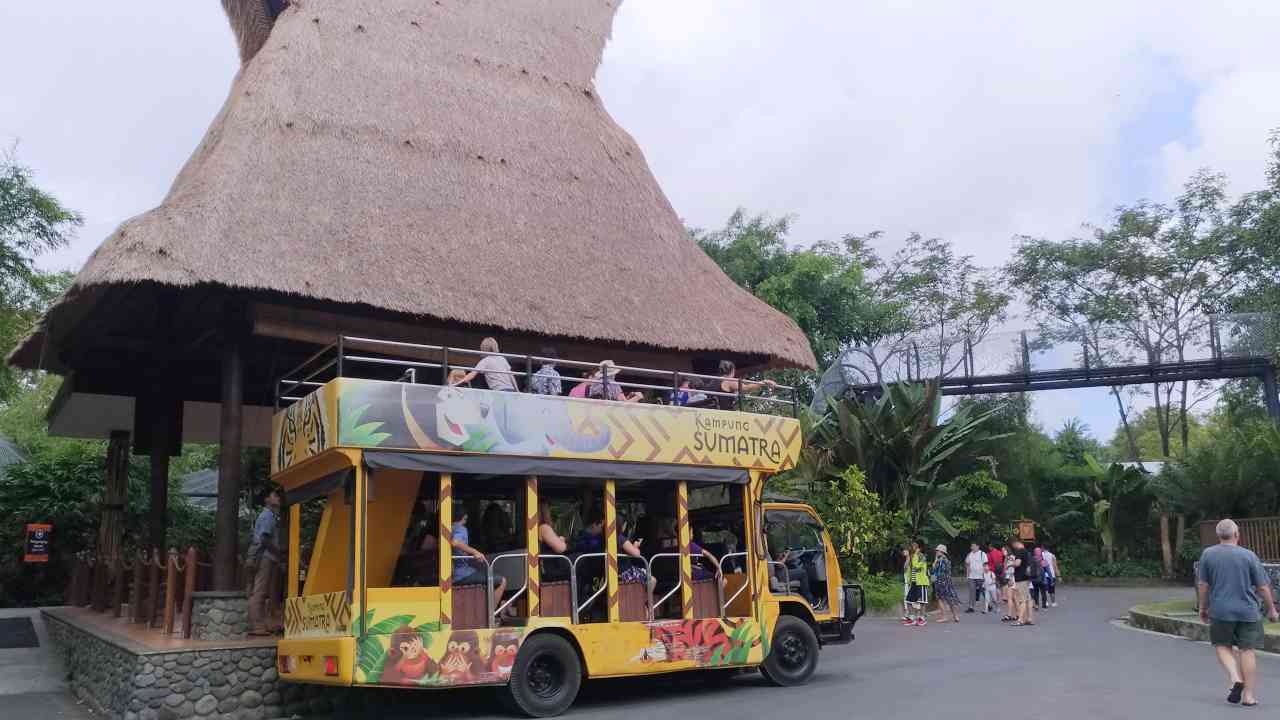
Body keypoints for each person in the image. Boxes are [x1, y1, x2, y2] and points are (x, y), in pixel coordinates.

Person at [1198, 518, 1279, 707]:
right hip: (1248, 611)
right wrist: (1272, 609)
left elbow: (1203, 584)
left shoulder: (1208, 554)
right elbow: (1262, 586)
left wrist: (1203, 607)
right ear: (1237, 534)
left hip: (1220, 610)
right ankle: (1249, 696)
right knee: (1247, 651)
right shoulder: (1249, 556)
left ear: (1219, 536)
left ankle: (1235, 677)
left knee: (1221, 645)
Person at [450, 506, 507, 614]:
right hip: (460, 574)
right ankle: (490, 615)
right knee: (502, 581)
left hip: (454, 573)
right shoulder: (460, 528)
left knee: (480, 572)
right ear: (464, 517)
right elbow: (455, 542)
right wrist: (474, 552)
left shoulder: (447, 528)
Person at [246, 488, 283, 636]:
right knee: (260, 591)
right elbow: (264, 539)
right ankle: (257, 626)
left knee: (260, 590)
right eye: (274, 495)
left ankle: (264, 624)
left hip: (264, 556)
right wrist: (278, 552)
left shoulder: (268, 515)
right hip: (265, 557)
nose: (278, 498)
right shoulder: (268, 516)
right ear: (267, 499)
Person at [451, 337, 518, 391]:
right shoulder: (502, 359)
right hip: (510, 390)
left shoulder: (486, 360)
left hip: (499, 391)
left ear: (483, 348)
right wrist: (518, 392)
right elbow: (511, 376)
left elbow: (471, 375)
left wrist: (455, 384)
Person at [930, 545, 962, 623]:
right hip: (947, 581)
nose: (936, 552)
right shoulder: (947, 560)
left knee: (940, 599)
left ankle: (944, 617)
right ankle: (955, 616)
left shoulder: (939, 560)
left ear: (941, 552)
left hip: (940, 581)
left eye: (937, 551)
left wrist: (935, 561)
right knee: (949, 599)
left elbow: (934, 569)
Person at [904, 541, 930, 627]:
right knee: (908, 600)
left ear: (918, 548)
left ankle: (921, 619)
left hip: (921, 582)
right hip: (914, 582)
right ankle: (912, 618)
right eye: (912, 546)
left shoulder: (921, 556)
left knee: (922, 601)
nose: (913, 548)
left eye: (915, 546)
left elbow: (916, 566)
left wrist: (915, 555)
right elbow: (908, 569)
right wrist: (909, 580)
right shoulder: (913, 556)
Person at [1010, 539, 1036, 627]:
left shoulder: (1019, 552)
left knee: (1022, 599)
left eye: (1013, 545)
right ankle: (1029, 618)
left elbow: (1017, 563)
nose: (1013, 547)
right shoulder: (1027, 552)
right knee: (1028, 598)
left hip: (1020, 578)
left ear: (1016, 543)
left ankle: (1020, 620)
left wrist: (1011, 564)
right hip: (1027, 578)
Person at [964, 542, 988, 613]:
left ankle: (988, 605)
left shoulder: (982, 554)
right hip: (972, 576)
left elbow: (986, 565)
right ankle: (971, 607)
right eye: (971, 546)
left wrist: (986, 575)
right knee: (972, 591)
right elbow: (967, 564)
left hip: (981, 576)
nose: (972, 547)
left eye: (973, 546)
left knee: (983, 591)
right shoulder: (970, 554)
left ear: (978, 546)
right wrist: (967, 575)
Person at [1000, 544, 1017, 622]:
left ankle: (1009, 615)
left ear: (1008, 550)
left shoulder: (1010, 557)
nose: (1003, 552)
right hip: (1010, 578)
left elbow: (1012, 568)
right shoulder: (1007, 558)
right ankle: (1017, 614)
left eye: (1004, 550)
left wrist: (1010, 578)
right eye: (1002, 551)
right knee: (1013, 598)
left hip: (1011, 578)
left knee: (1009, 598)